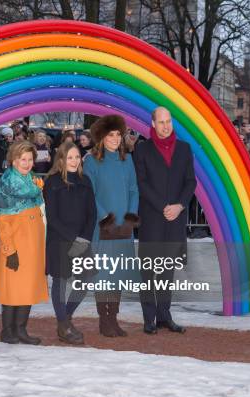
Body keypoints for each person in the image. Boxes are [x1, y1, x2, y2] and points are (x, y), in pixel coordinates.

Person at [133, 107, 196, 335]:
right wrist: (163, 207)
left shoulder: (184, 149)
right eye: (161, 122)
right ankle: (149, 318)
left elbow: (191, 182)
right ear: (153, 124)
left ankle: (164, 315)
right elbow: (142, 183)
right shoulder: (142, 150)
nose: (166, 126)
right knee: (149, 271)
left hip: (176, 220)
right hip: (152, 219)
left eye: (168, 121)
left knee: (167, 271)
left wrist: (179, 206)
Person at [84, 115, 139, 337]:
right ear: (102, 137)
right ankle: (104, 320)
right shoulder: (91, 161)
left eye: (118, 134)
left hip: (123, 228)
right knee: (104, 275)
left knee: (118, 274)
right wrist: (105, 218)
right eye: (111, 135)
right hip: (103, 227)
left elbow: (134, 189)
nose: (115, 139)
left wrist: (130, 216)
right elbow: (90, 193)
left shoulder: (127, 160)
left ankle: (113, 318)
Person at [0, 140, 49, 345]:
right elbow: (3, 219)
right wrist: (10, 250)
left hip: (33, 244)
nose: (26, 163)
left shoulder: (34, 181)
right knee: (12, 289)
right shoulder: (7, 184)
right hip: (16, 244)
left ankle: (21, 329)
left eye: (29, 159)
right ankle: (7, 331)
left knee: (28, 288)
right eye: (22, 159)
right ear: (13, 161)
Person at [43, 141, 96, 344]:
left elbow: (92, 214)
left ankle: (64, 318)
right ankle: (64, 326)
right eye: (70, 157)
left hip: (82, 240)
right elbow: (52, 218)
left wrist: (84, 239)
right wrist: (72, 240)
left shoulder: (86, 181)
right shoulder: (52, 182)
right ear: (62, 159)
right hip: (59, 240)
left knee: (83, 282)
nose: (74, 161)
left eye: (76, 157)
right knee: (61, 282)